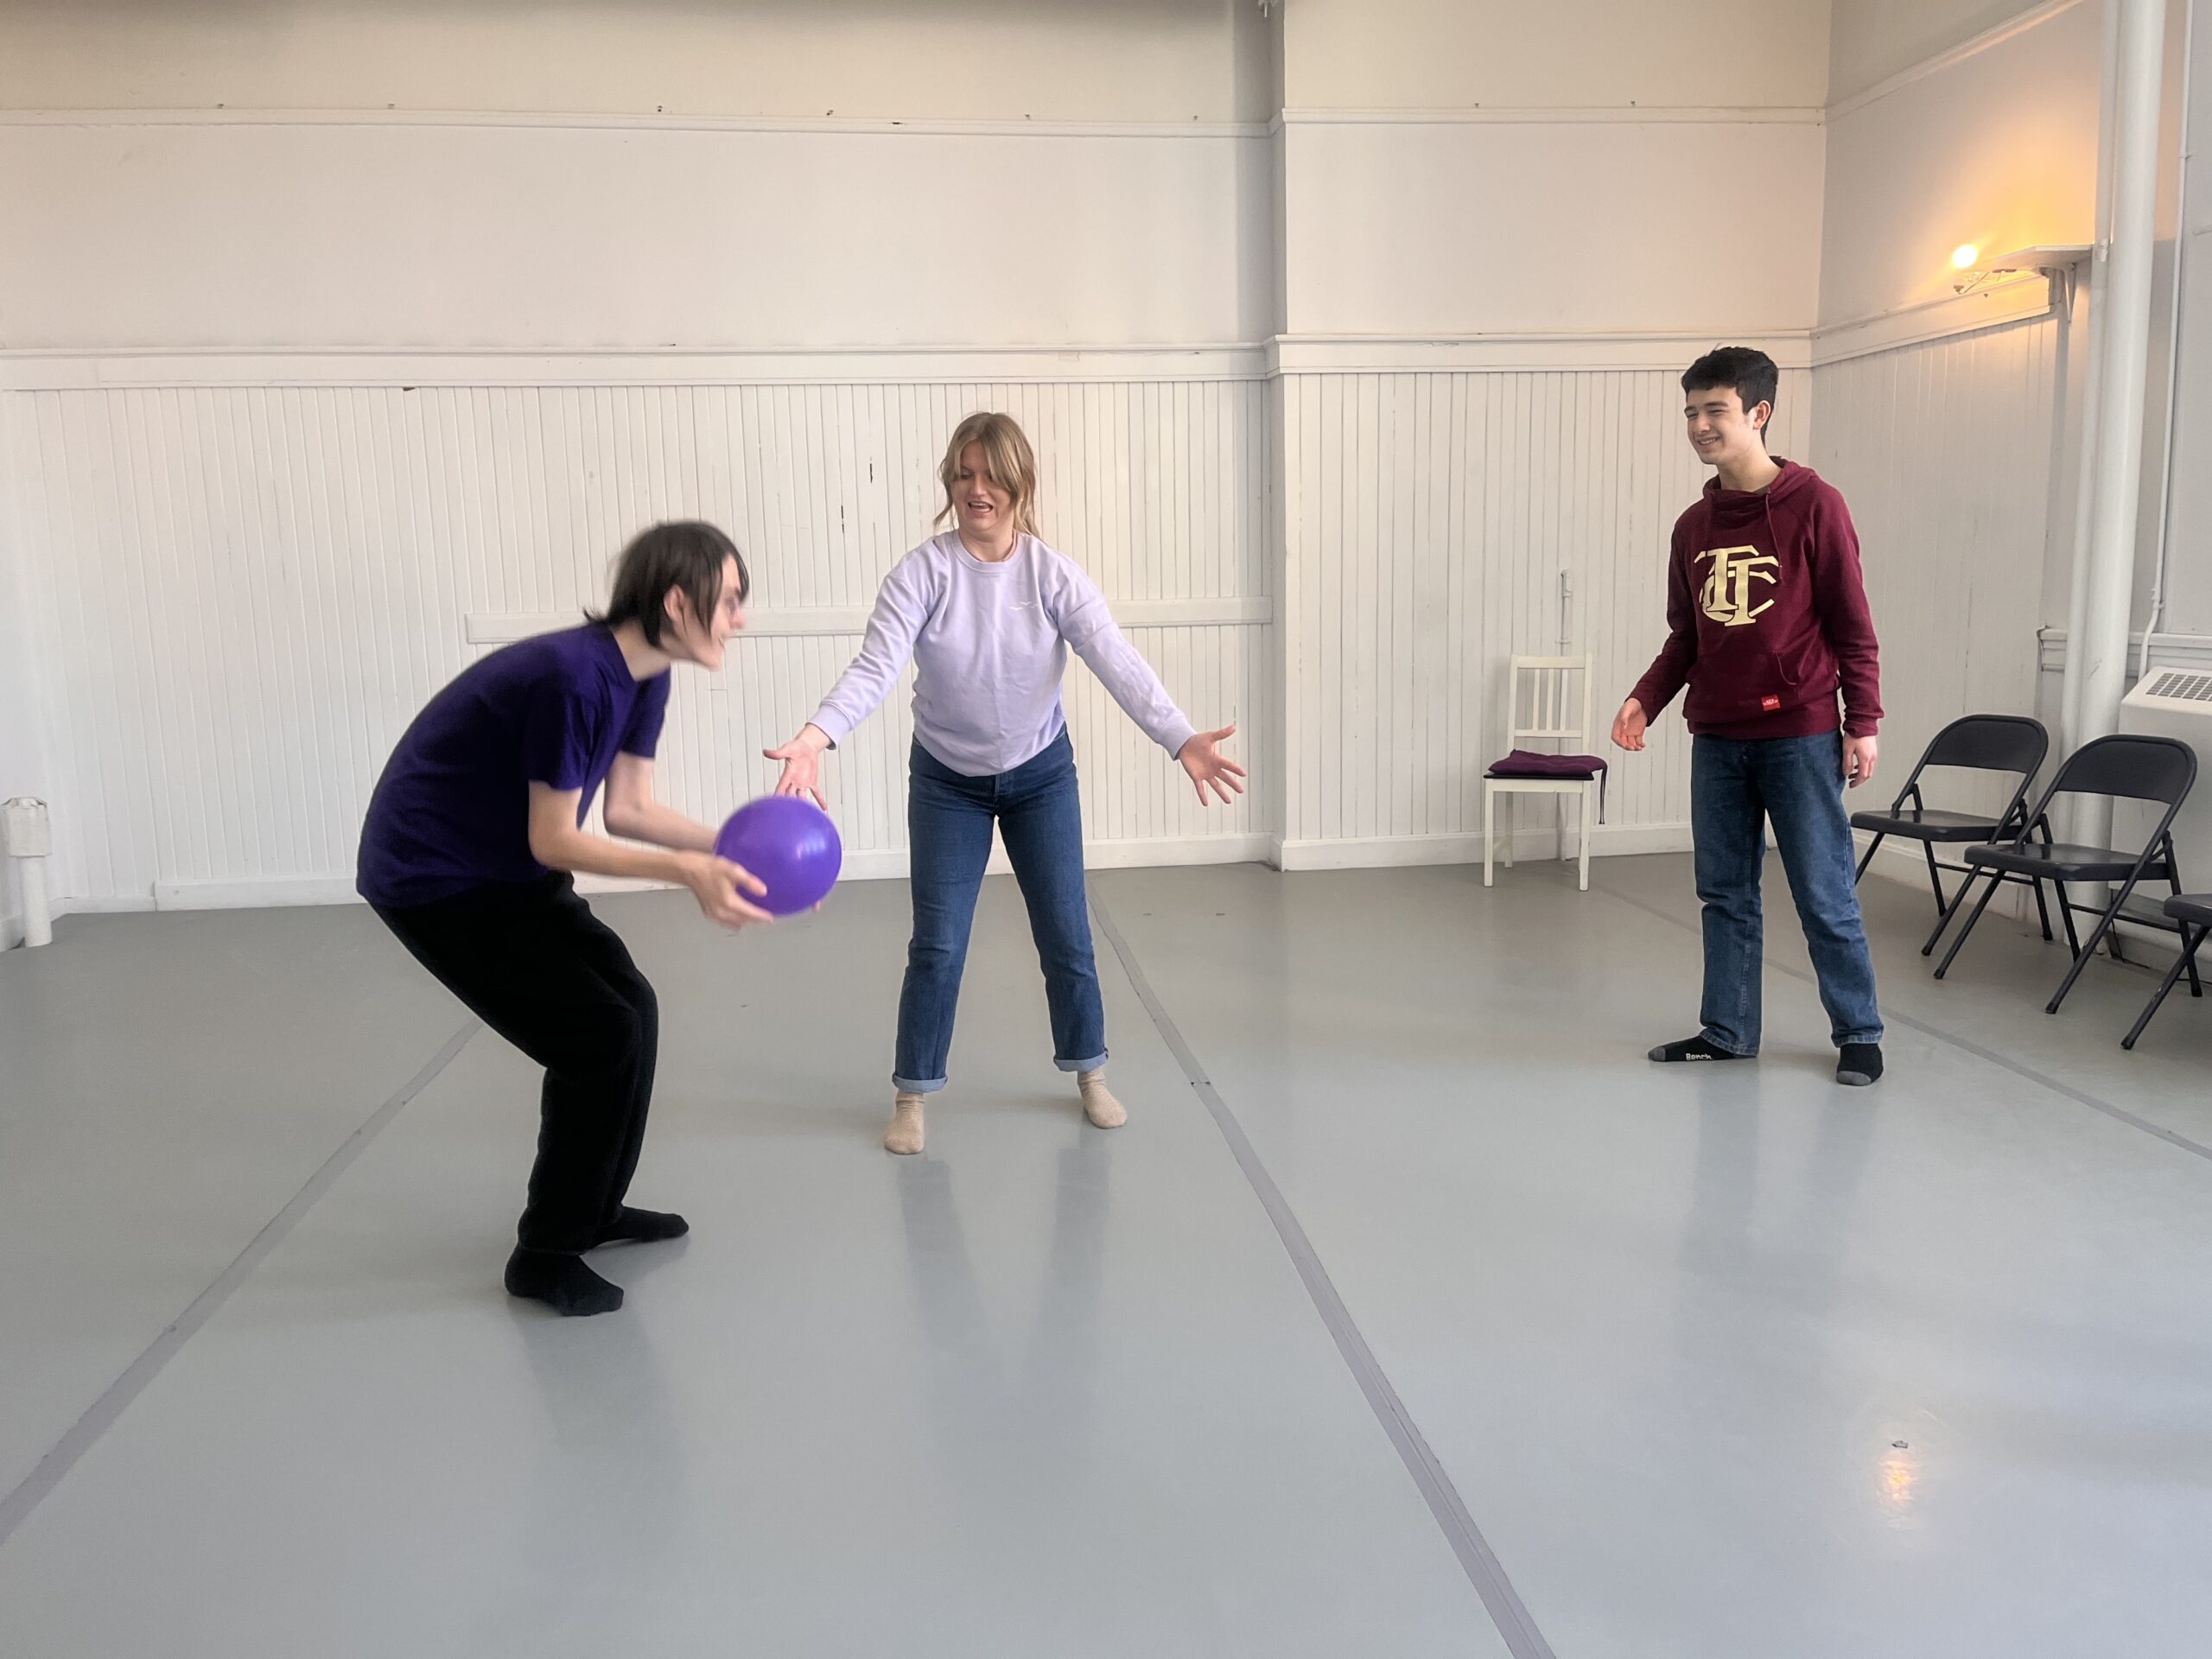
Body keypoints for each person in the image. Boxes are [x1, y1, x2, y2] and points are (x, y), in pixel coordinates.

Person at [766, 412, 1245, 1154]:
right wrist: (814, 734)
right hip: (946, 783)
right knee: (938, 944)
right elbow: (876, 667)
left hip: (1040, 777)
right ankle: (913, 1093)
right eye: (963, 474)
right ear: (949, 484)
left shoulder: (1050, 574)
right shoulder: (922, 574)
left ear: (1019, 484)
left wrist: (1179, 736)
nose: (976, 490)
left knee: (1067, 935)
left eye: (991, 475)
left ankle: (1089, 1072)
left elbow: (1114, 657)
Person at [358, 521, 773, 1315]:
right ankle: (544, 1254)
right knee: (596, 1037)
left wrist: (734, 847)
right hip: (433, 877)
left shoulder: (647, 673)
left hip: (503, 869)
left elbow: (629, 809)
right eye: (731, 600)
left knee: (634, 1008)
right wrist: (689, 871)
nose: (741, 619)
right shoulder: (573, 678)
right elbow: (554, 837)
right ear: (678, 602)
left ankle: (594, 1208)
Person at [1611, 346, 1887, 1086]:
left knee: (1822, 890)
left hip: (1799, 734)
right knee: (1724, 892)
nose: (1700, 425)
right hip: (1719, 738)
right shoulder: (1692, 526)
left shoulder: (1816, 505)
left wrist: (1863, 721)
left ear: (1758, 413)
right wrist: (1646, 697)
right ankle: (1728, 1030)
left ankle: (1859, 1032)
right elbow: (1689, 636)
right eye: (1692, 413)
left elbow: (1853, 625)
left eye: (1715, 411)